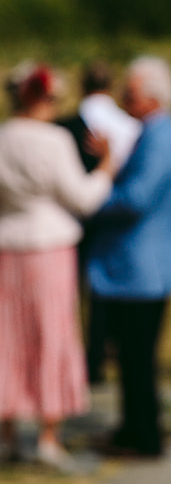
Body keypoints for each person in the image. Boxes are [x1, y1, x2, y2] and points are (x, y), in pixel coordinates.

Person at [0, 63, 114, 468]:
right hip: (50, 247)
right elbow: (83, 198)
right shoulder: (55, 140)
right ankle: (48, 435)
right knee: (52, 335)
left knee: (5, 337)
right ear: (41, 99)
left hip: (8, 246)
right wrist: (107, 168)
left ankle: (6, 436)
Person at [85, 56, 171, 458]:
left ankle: (142, 436)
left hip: (139, 268)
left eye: (131, 92)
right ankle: (134, 428)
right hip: (140, 266)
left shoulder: (160, 135)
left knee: (136, 357)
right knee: (133, 357)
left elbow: (136, 197)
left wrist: (92, 199)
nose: (123, 97)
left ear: (153, 97)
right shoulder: (151, 133)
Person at [59, 64, 142, 382]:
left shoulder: (63, 126)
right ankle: (99, 356)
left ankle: (72, 358)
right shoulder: (130, 125)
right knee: (104, 289)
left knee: (68, 292)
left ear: (82, 85)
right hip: (114, 217)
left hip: (72, 216)